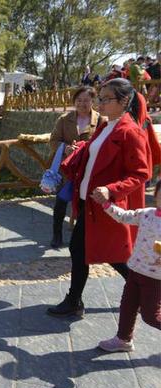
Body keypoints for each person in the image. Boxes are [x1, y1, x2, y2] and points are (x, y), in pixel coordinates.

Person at [47, 78, 153, 317]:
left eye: (106, 99)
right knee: (85, 250)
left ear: (124, 101)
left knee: (107, 253)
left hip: (104, 204)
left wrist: (112, 190)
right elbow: (94, 155)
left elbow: (141, 172)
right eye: (101, 98)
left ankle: (147, 290)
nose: (100, 103)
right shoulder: (106, 126)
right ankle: (75, 300)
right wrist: (79, 151)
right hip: (89, 201)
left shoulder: (131, 131)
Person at [92, 181, 161, 352]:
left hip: (155, 278)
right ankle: (123, 339)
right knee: (128, 305)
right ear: (156, 195)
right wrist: (106, 204)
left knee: (151, 316)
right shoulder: (146, 214)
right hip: (135, 270)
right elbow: (123, 216)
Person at [48, 86, 105, 248]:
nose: (82, 103)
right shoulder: (64, 119)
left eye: (86, 100)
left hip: (88, 169)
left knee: (83, 204)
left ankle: (82, 238)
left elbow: (105, 144)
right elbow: (53, 141)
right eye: (79, 100)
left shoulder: (101, 120)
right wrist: (65, 148)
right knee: (61, 201)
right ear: (74, 102)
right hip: (67, 170)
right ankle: (56, 235)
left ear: (93, 101)